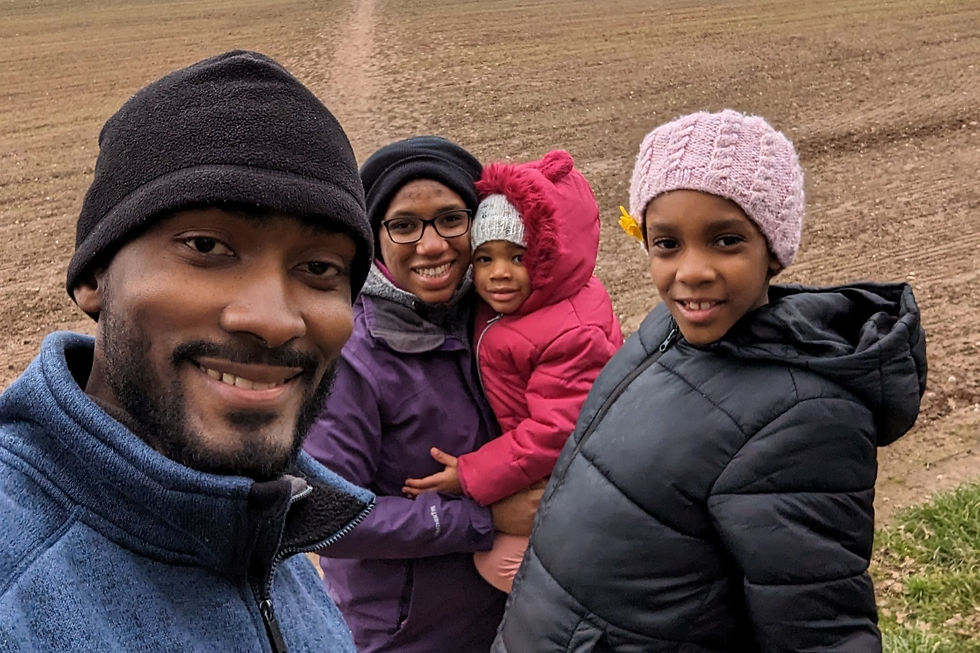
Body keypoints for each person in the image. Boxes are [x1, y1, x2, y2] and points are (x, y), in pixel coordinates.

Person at [493, 109, 927, 652]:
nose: (691, 271)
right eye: (667, 244)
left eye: (725, 241)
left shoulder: (807, 416)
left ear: (772, 249)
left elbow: (821, 628)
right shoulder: (667, 330)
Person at [0, 51, 379, 653]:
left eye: (319, 267)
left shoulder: (263, 524)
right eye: (206, 245)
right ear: (95, 276)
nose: (275, 321)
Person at [303, 136, 540, 653]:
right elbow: (333, 517)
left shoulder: (506, 320)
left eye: (451, 219)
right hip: (410, 632)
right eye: (405, 225)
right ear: (373, 238)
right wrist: (485, 519)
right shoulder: (352, 357)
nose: (432, 245)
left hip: (523, 610)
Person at [402, 149, 623, 592]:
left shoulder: (570, 332)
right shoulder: (521, 307)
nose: (498, 274)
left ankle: (591, 608)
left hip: (579, 472)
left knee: (499, 562)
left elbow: (555, 429)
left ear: (549, 258)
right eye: (484, 259)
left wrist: (471, 474)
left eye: (518, 258)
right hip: (546, 469)